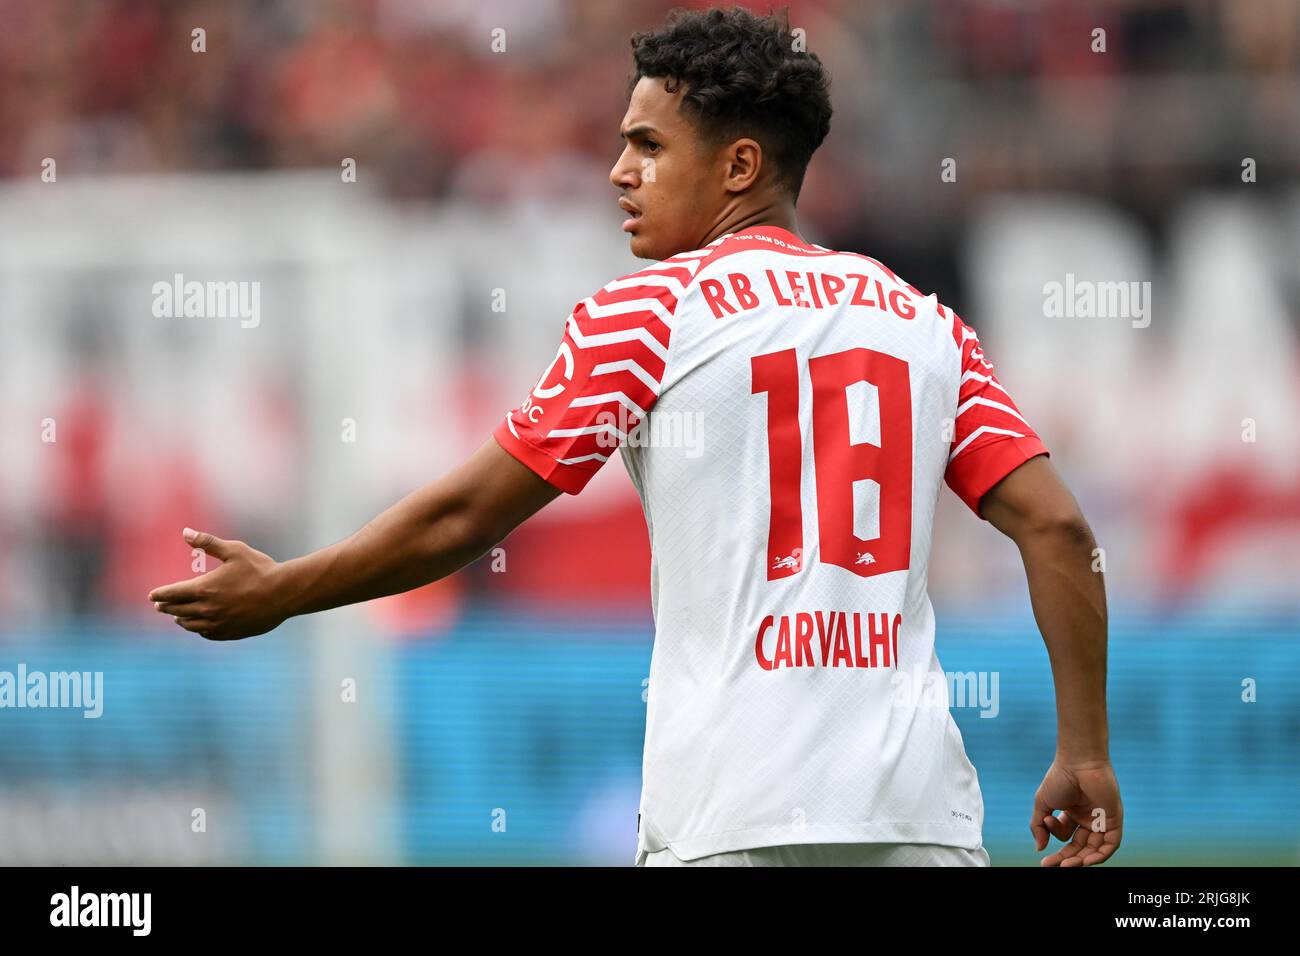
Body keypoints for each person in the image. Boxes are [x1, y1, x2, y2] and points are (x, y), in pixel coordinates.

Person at [148, 6, 1121, 868]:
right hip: (918, 817)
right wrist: (1082, 749)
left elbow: (464, 515)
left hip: (727, 815)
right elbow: (1059, 531)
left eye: (648, 145)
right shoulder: (922, 323)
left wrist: (285, 590)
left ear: (738, 164)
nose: (618, 171)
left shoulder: (651, 311)